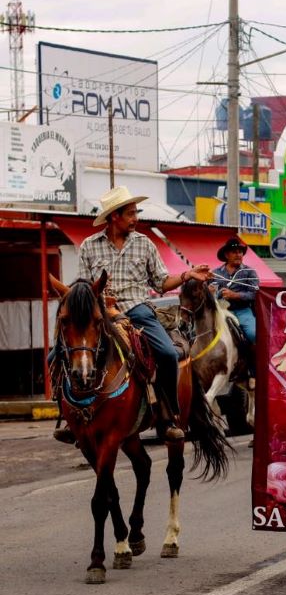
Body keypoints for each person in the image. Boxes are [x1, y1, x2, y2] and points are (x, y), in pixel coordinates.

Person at [61, 185, 211, 442]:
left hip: (137, 309)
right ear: (114, 217)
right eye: (130, 213)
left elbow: (161, 282)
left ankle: (169, 415)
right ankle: (68, 418)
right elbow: (84, 286)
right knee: (58, 353)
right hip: (100, 314)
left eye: (135, 213)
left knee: (165, 353)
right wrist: (97, 299)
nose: (135, 218)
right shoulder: (88, 246)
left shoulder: (145, 244)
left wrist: (188, 274)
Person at [212, 236, 259, 345]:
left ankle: (256, 361)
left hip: (242, 310)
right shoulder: (215, 273)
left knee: (253, 334)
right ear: (226, 255)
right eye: (234, 252)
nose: (238, 255)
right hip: (220, 310)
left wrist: (235, 295)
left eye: (240, 252)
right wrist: (211, 292)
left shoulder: (250, 272)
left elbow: (255, 294)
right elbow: (209, 292)